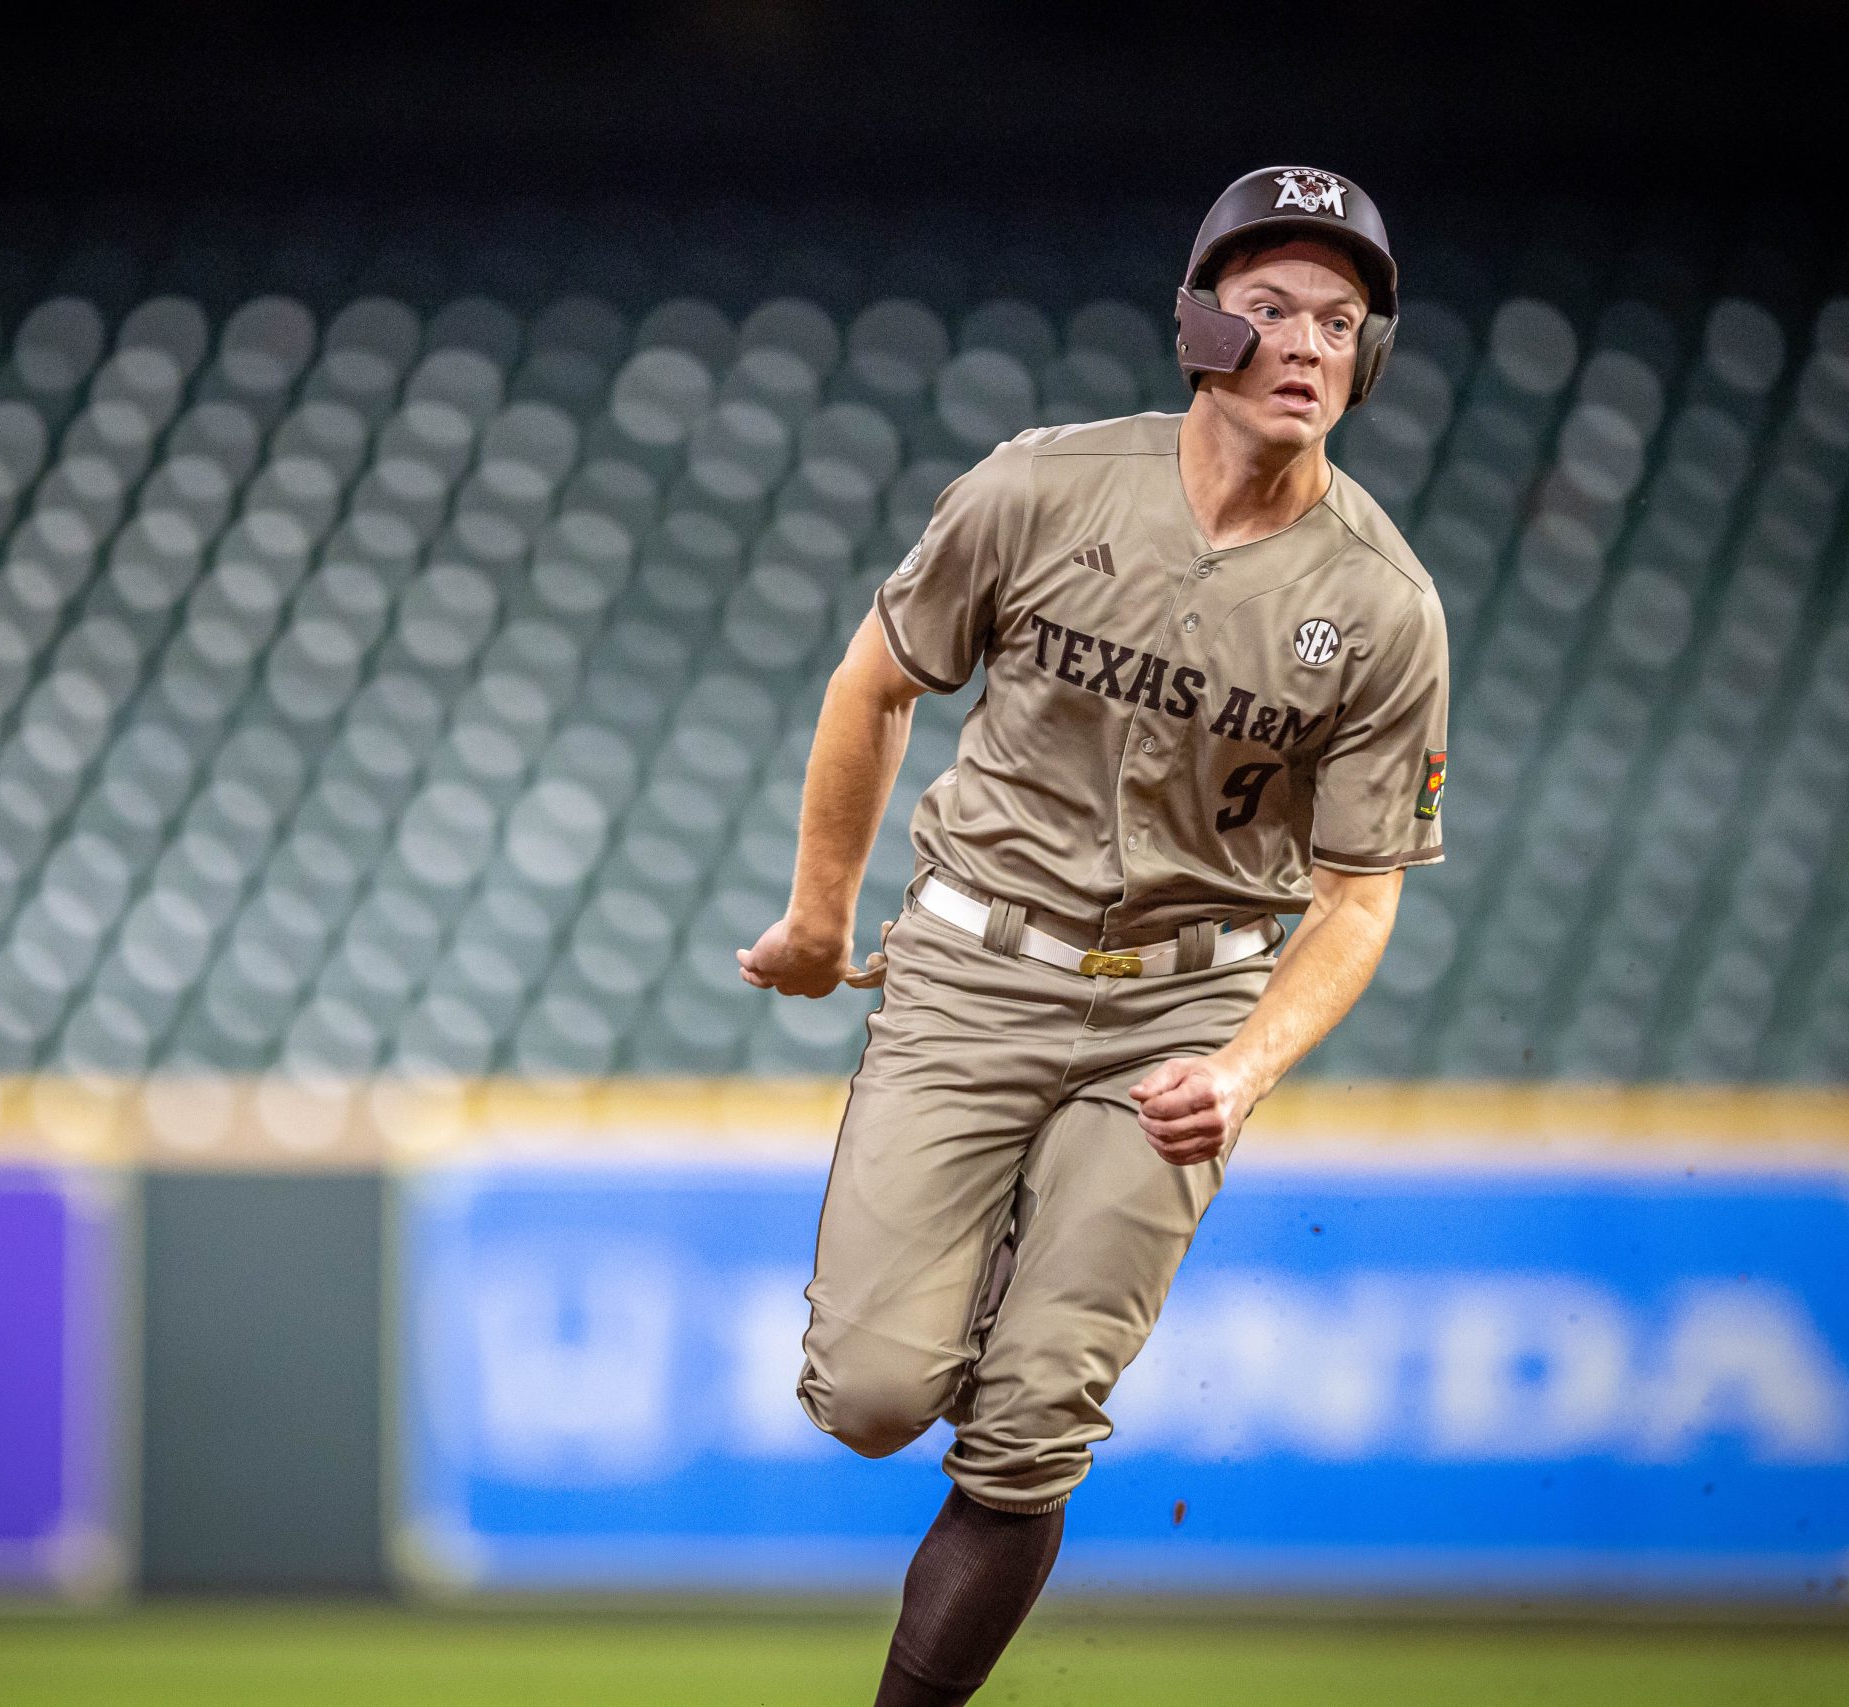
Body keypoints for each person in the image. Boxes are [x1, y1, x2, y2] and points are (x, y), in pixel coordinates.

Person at [737, 165, 1449, 1705]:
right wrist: (817, 918)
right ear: (1197, 323)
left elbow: (1360, 894)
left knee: (1035, 1417)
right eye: (1269, 310)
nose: (1308, 345)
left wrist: (1247, 1071)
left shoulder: (1386, 607)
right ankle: (1003, 1233)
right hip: (973, 969)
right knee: (868, 1394)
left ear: (1370, 360)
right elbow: (874, 682)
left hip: (1178, 1024)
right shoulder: (1040, 488)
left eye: (1341, 320)